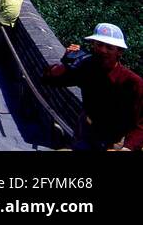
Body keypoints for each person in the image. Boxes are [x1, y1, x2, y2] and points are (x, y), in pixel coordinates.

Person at [43, 23, 143, 151]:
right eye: (99, 45)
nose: (102, 50)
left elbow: (141, 123)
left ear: (120, 52)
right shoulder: (87, 67)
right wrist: (67, 62)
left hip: (116, 141)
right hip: (87, 131)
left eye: (109, 47)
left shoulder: (132, 83)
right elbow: (49, 79)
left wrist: (127, 148)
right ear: (93, 45)